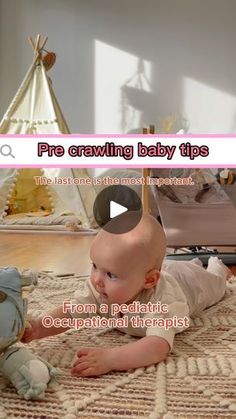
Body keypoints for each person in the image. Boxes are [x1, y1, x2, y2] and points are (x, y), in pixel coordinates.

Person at [22, 214, 229, 377]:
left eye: (110, 274)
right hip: (156, 271)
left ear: (149, 282)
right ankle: (182, 264)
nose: (96, 280)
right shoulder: (100, 287)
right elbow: (71, 312)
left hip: (190, 284)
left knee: (217, 284)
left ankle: (217, 266)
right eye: (95, 266)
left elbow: (157, 347)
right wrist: (40, 327)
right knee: (159, 265)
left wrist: (112, 358)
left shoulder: (163, 301)